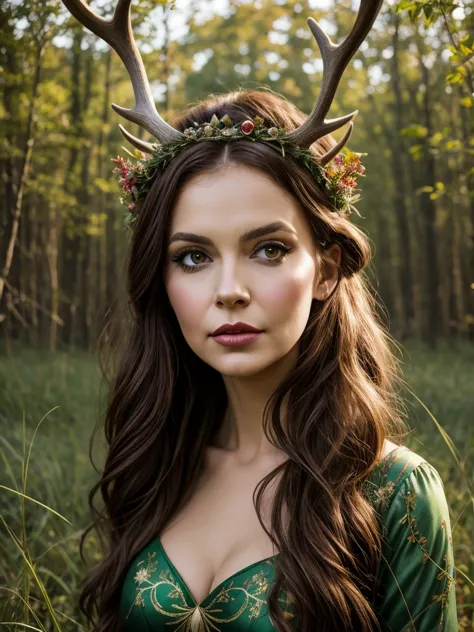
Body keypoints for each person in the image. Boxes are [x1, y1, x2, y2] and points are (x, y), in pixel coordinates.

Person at [60, 1, 458, 630]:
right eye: (192, 257)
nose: (229, 291)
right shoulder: (158, 459)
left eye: (268, 249)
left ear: (326, 268)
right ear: (160, 280)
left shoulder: (393, 494)